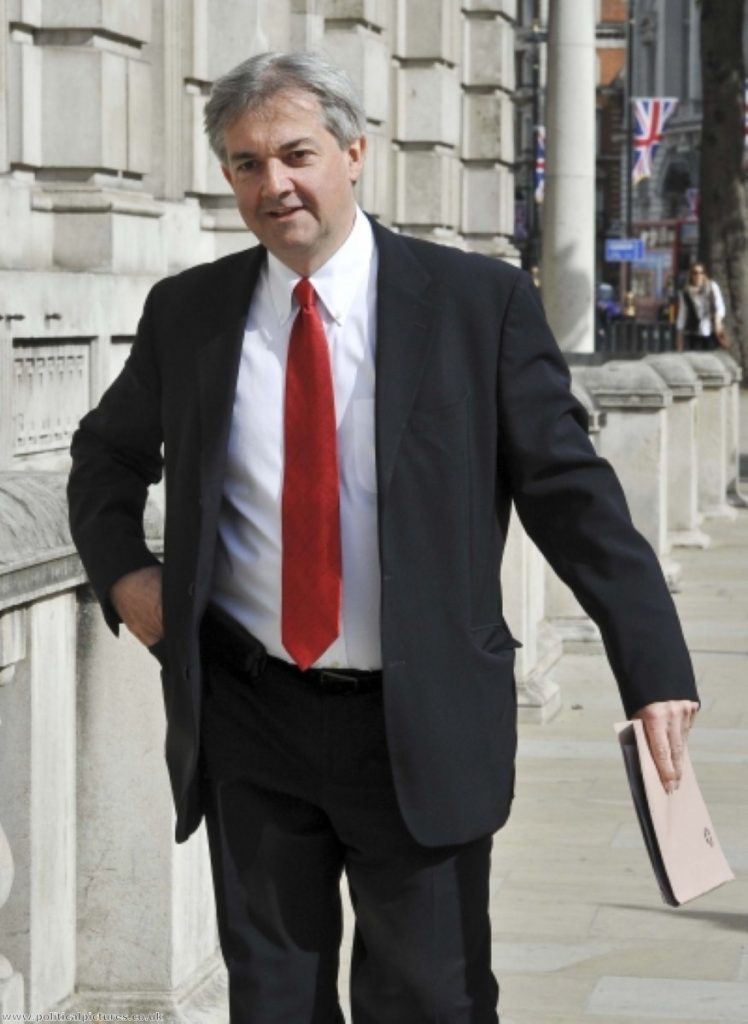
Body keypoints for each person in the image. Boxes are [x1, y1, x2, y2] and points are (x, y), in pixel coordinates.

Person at [67, 52, 700, 1023]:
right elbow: (104, 459)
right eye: (243, 164)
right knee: (273, 1003)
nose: (271, 184)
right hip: (251, 719)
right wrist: (125, 576)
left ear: (354, 153)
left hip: (421, 720)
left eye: (294, 154)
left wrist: (650, 661)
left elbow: (570, 492)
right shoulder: (189, 314)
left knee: (431, 1003)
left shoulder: (472, 303)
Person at [676, 262, 726, 350]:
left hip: (711, 331)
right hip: (694, 332)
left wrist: (718, 322)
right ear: (691, 275)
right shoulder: (685, 292)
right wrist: (679, 337)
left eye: (701, 272)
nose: (698, 276)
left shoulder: (712, 287)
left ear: (704, 274)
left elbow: (720, 307)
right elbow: (682, 314)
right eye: (695, 273)